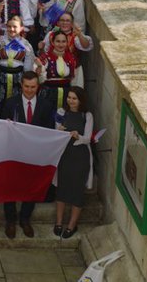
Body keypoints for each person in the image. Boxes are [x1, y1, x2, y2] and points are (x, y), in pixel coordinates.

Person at [0, 72, 55, 238]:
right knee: (10, 186)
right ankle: (10, 220)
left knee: (30, 187)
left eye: (33, 87)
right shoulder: (10, 104)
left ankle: (25, 219)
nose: (30, 90)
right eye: (26, 86)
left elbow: (48, 130)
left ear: (37, 87)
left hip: (34, 155)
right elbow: (2, 128)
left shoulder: (46, 105)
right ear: (21, 86)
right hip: (13, 153)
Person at [54, 86, 93, 240]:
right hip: (64, 155)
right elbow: (54, 132)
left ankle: (71, 225)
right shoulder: (61, 112)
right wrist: (60, 130)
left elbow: (88, 138)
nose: (71, 101)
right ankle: (58, 222)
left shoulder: (87, 116)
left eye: (74, 98)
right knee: (62, 189)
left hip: (80, 156)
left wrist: (78, 136)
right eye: (69, 98)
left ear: (80, 100)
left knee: (77, 191)